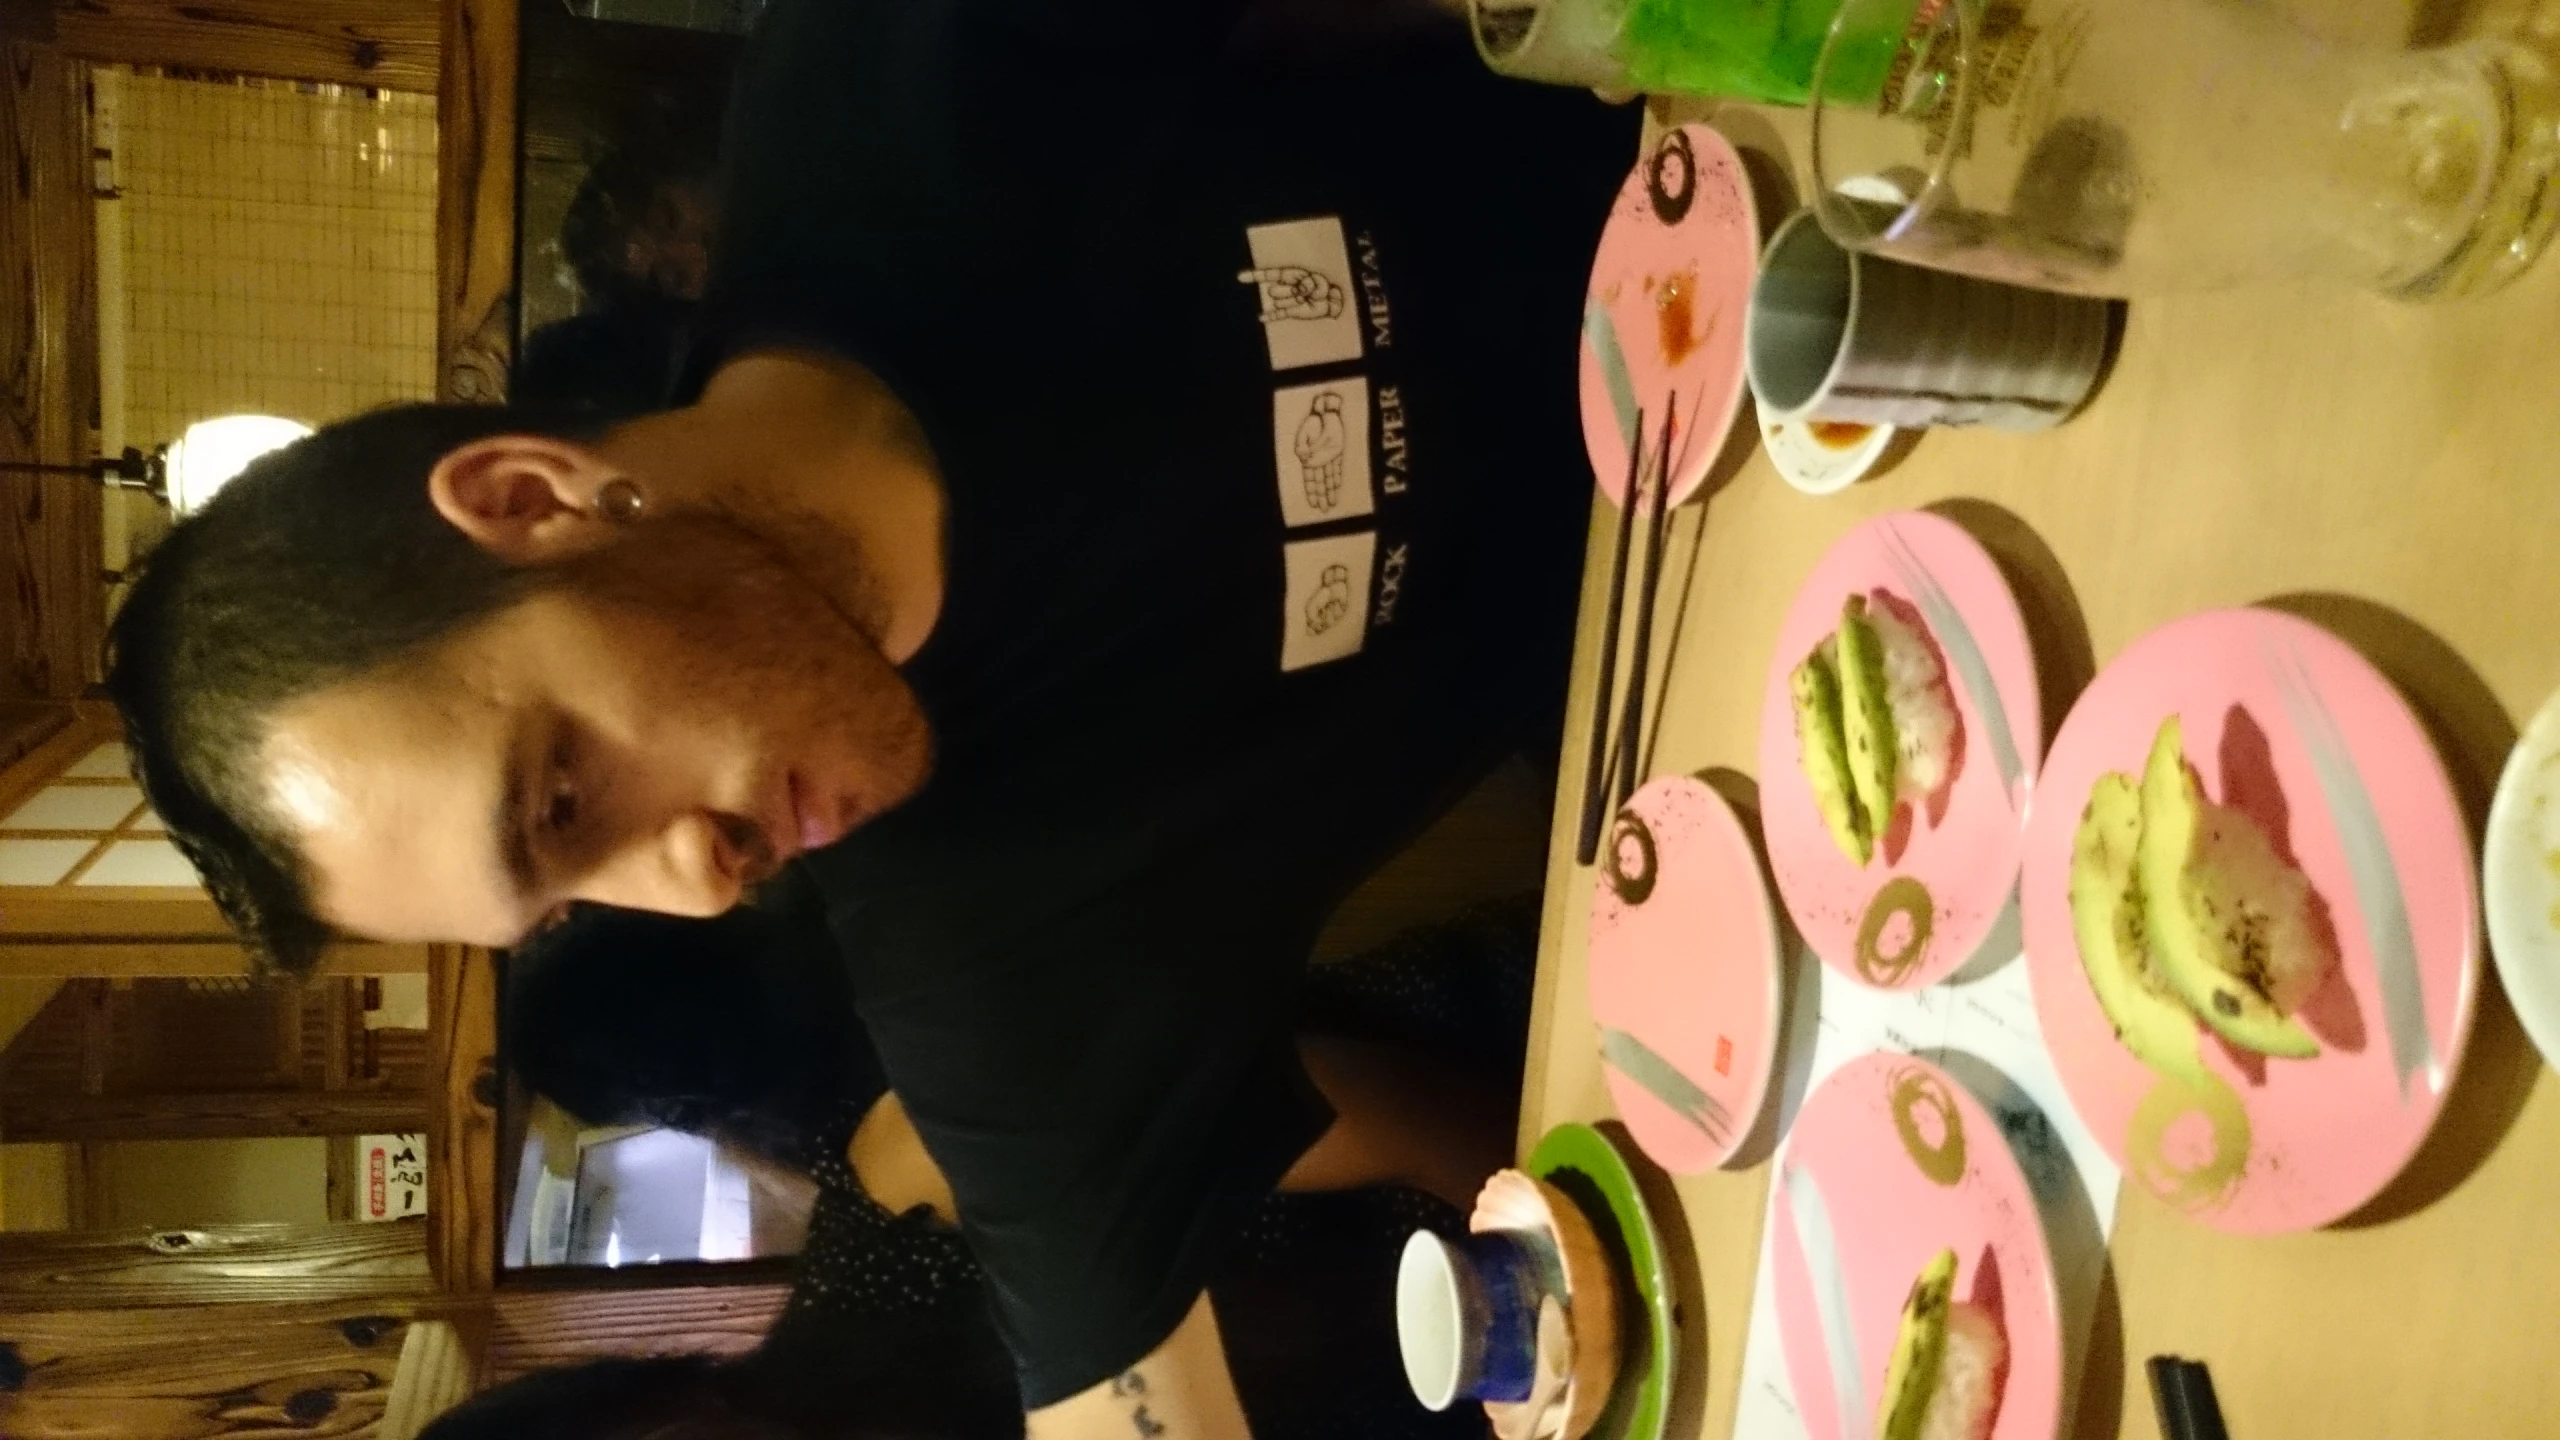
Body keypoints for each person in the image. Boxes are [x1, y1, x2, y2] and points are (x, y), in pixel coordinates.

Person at [102, 0, 1635, 1429]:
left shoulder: (891, 90)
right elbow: (1120, 1395)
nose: (696, 876)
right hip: (1707, 641)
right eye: (572, 897)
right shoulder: (976, 948)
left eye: (564, 798)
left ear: (531, 499)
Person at [489, 886, 1538, 1438]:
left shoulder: (909, 1186)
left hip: (1564, 1110)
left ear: (659, 1395)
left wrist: (1577, 1312)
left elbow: (1416, 1113)